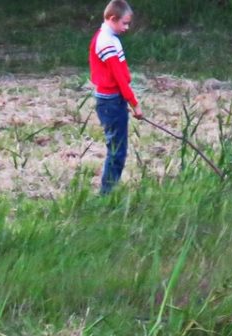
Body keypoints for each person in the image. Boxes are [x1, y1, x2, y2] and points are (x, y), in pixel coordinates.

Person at [89, 0, 143, 195]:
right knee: (117, 150)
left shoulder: (109, 37)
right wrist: (134, 104)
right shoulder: (106, 41)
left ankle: (109, 191)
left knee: (117, 148)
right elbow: (120, 79)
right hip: (110, 101)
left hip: (114, 99)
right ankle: (107, 194)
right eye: (124, 23)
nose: (127, 28)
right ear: (112, 19)